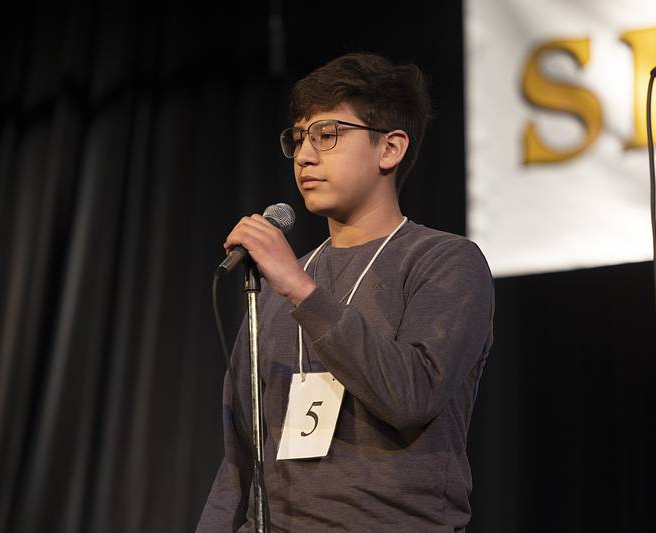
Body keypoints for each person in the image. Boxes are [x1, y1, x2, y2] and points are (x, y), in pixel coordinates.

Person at [197, 52, 494, 532]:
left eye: (327, 135)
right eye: (299, 138)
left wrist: (299, 288)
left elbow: (411, 395)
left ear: (390, 149)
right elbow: (239, 459)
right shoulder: (276, 287)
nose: (306, 155)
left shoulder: (444, 262)